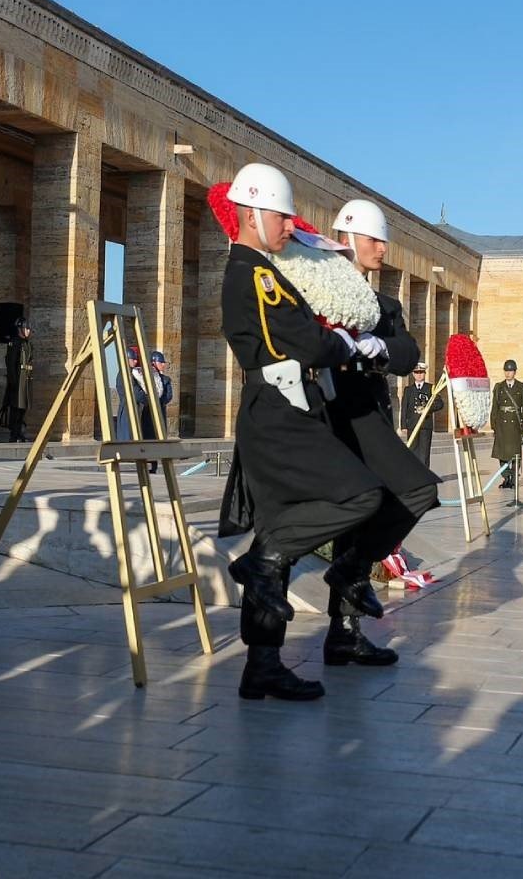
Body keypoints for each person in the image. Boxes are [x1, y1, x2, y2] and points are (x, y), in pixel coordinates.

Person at [215, 163, 398, 701]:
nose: (288, 226)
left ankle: (262, 663)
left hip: (288, 406)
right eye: (279, 216)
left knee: (281, 531)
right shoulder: (253, 273)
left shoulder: (267, 268)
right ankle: (261, 562)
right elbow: (305, 341)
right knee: (358, 497)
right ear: (251, 214)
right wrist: (344, 345)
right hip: (276, 413)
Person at [319, 198, 441, 666]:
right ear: (348, 238)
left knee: (411, 495)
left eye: (384, 239)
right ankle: (276, 650)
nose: (383, 249)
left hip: (372, 422)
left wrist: (378, 346)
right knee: (339, 523)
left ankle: (345, 620)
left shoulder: (384, 307)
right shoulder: (318, 296)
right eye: (374, 239)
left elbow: (408, 353)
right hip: (332, 422)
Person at [491, 359, 523, 489]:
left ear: (515, 372)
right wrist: (494, 424)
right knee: (502, 454)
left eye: (510, 371)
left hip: (514, 425)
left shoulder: (522, 387)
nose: (508, 374)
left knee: (515, 454)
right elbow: (495, 407)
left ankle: (513, 478)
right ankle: (506, 477)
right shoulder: (499, 387)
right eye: (506, 371)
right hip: (502, 424)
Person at [399, 362, 442, 467]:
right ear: (413, 374)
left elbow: (440, 404)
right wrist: (403, 425)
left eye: (421, 372)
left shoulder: (431, 388)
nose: (419, 375)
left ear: (425, 373)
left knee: (424, 453)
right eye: (417, 372)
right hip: (412, 425)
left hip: (425, 425)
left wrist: (427, 409)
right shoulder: (408, 390)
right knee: (412, 452)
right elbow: (404, 408)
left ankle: (425, 476)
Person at [1, 319, 34, 442]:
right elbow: (10, 363)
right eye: (27, 328)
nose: (29, 331)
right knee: (16, 407)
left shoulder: (27, 343)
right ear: (20, 329)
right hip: (18, 379)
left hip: (26, 379)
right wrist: (13, 381)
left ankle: (18, 431)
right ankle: (14, 433)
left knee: (23, 407)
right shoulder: (15, 342)